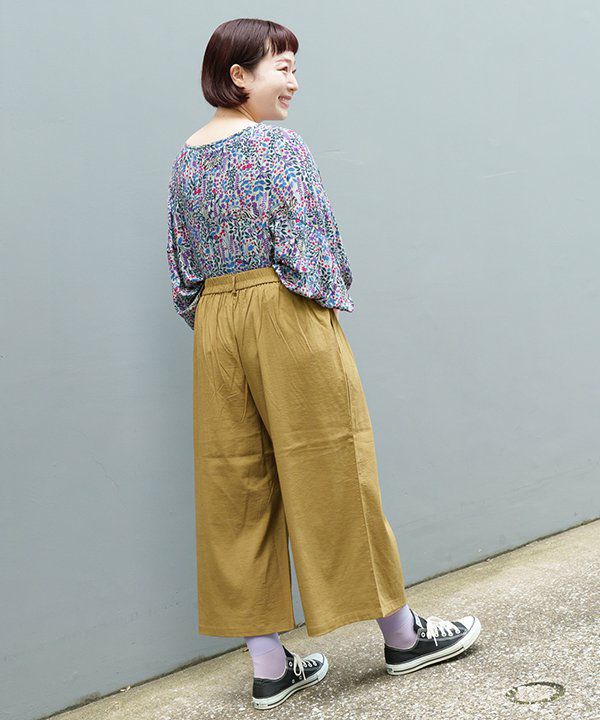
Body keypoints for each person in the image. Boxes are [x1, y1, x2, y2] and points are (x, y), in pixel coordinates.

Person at [166, 17, 482, 711]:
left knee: (234, 484)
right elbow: (311, 242)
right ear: (239, 75)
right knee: (335, 463)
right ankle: (402, 637)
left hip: (216, 324)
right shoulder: (278, 146)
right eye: (282, 67)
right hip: (282, 309)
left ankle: (269, 666)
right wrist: (320, 304)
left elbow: (183, 267)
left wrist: (219, 316)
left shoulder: (186, 157)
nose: (294, 82)